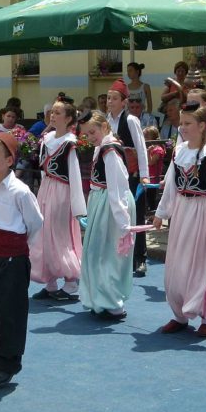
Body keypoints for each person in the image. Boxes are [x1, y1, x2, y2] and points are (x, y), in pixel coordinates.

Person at [153, 102, 206, 337]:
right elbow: (171, 184)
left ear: (202, 126)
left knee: (203, 264)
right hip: (181, 212)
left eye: (188, 123)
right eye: (181, 123)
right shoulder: (179, 151)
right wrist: (161, 213)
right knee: (178, 263)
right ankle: (179, 315)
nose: (182, 127)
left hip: (204, 212)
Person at [0, 133, 43, 389]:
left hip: (12, 258)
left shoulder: (20, 191)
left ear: (10, 160)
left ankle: (7, 364)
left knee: (8, 313)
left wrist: (18, 252)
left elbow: (35, 224)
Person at [78, 111, 135, 321]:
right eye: (86, 134)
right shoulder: (101, 148)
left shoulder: (110, 150)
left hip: (111, 204)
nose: (90, 137)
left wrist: (123, 221)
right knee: (97, 253)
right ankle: (101, 298)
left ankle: (112, 302)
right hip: (101, 200)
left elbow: (117, 187)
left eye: (92, 132)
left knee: (108, 253)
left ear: (104, 126)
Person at [29, 99, 86, 301]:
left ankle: (71, 282)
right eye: (52, 112)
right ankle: (50, 282)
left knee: (60, 234)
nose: (52, 116)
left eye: (58, 113)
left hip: (63, 191)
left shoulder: (70, 143)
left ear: (69, 119)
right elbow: (44, 171)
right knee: (43, 233)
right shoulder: (47, 138)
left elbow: (75, 174)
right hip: (46, 188)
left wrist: (79, 208)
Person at [107, 79, 150, 277]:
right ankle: (121, 254)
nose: (110, 101)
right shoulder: (105, 122)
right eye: (108, 98)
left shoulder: (131, 120)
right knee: (116, 215)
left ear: (124, 101)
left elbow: (141, 149)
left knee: (136, 215)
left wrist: (144, 176)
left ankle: (140, 257)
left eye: (114, 98)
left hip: (132, 176)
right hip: (114, 177)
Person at [144, 125, 164, 210]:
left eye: (146, 136)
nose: (144, 138)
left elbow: (151, 162)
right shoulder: (149, 147)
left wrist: (148, 152)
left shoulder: (158, 149)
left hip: (153, 178)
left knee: (151, 198)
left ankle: (153, 214)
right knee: (147, 197)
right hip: (147, 176)